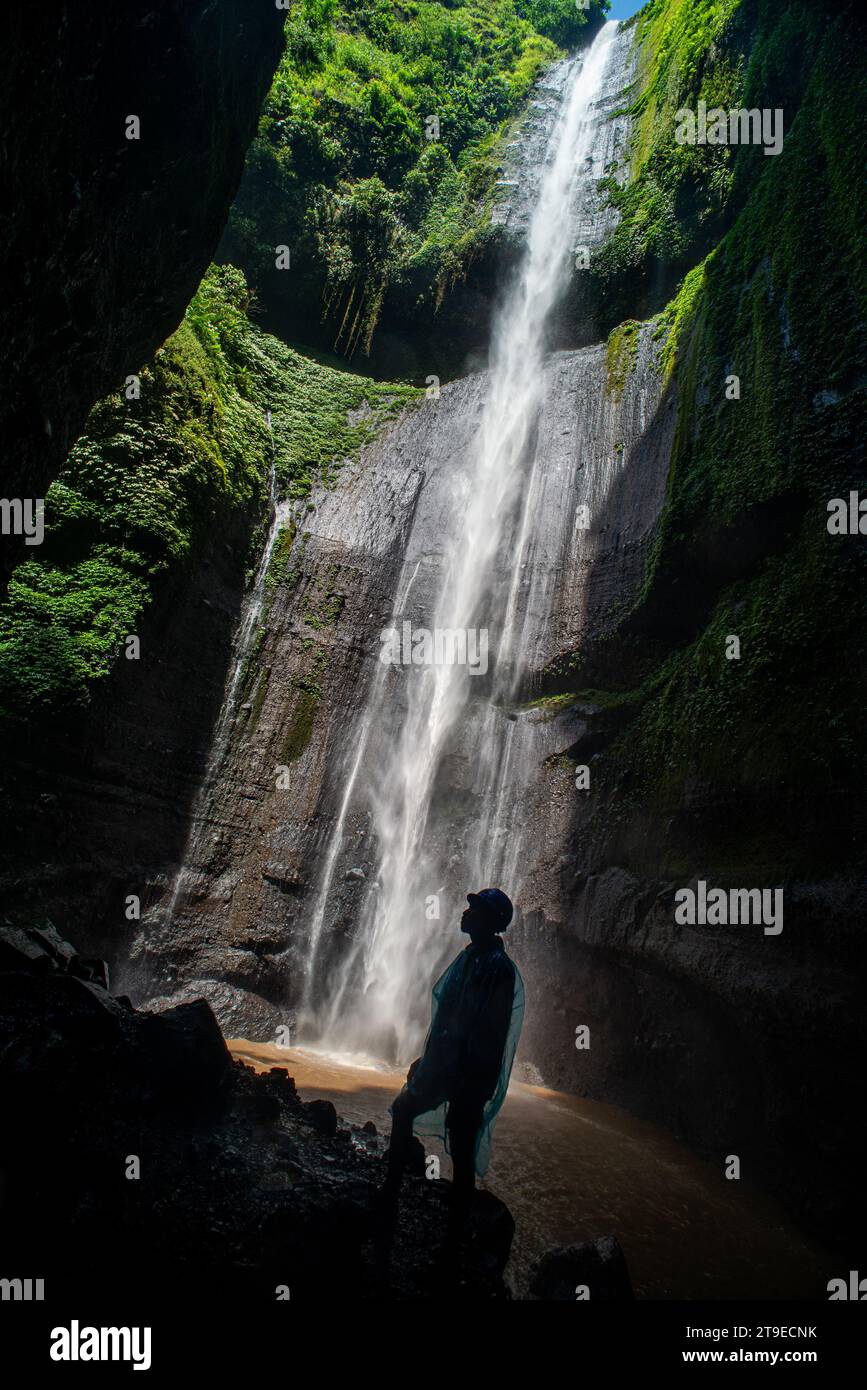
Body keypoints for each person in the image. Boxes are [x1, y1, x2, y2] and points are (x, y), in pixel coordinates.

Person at [380, 887, 524, 1251]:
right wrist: (427, 1060)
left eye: (474, 911)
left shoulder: (498, 969)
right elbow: (449, 1018)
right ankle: (393, 1193)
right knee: (403, 1110)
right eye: (468, 908)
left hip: (468, 1077)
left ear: (492, 922)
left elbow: (489, 1032)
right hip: (445, 1068)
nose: (465, 914)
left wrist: (467, 1079)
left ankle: (451, 1233)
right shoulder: (471, 957)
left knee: (459, 1148)